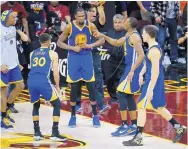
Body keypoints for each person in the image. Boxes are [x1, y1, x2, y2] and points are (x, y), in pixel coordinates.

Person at [122, 25, 187, 146]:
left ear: (149, 34)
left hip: (154, 82)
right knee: (159, 107)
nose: (142, 35)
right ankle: (178, 127)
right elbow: (148, 63)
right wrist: (141, 73)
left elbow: (156, 72)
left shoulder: (154, 51)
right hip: (151, 80)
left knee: (141, 106)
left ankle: (138, 138)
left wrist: (150, 89)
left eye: (143, 33)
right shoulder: (151, 48)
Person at [94, 17, 145, 136]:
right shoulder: (128, 34)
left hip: (132, 68)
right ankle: (132, 125)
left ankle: (125, 125)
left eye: (125, 22)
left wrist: (132, 70)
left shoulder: (135, 37)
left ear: (129, 25)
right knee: (128, 95)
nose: (123, 23)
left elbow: (142, 55)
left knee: (121, 93)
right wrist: (103, 35)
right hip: (129, 67)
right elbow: (116, 43)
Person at [57, 8, 104, 128]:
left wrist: (91, 45)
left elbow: (102, 39)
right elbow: (59, 43)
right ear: (75, 17)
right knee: (74, 88)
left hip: (87, 58)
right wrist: (72, 48)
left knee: (91, 87)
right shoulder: (69, 27)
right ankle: (73, 116)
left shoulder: (91, 26)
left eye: (83, 16)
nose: (82, 18)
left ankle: (94, 115)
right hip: (74, 59)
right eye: (79, 16)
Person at [27, 33, 66, 141]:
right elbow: (56, 73)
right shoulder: (52, 53)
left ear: (40, 42)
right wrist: (57, 86)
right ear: (49, 42)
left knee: (36, 105)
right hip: (43, 80)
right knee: (57, 104)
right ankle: (54, 132)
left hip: (31, 80)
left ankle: (36, 132)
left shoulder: (32, 53)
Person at [1, 10, 27, 129]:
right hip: (3, 66)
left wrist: (17, 62)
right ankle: (2, 118)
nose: (15, 19)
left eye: (16, 17)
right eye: (13, 17)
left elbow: (13, 46)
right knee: (3, 93)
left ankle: (7, 108)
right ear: (5, 18)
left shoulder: (12, 28)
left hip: (13, 64)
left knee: (20, 86)